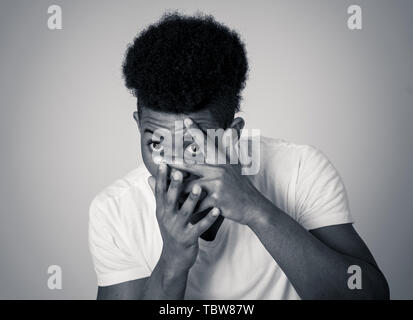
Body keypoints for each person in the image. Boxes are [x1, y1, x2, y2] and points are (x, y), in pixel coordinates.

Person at [88, 12, 389, 299]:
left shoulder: (299, 169)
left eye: (193, 147)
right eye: (156, 145)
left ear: (231, 134)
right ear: (138, 125)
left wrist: (257, 211)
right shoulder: (114, 210)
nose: (174, 169)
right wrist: (173, 260)